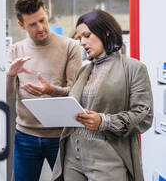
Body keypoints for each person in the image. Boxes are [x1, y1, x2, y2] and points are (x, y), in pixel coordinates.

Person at [48, 10, 154, 181]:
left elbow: (144, 116)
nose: (82, 42)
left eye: (86, 35)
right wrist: (51, 92)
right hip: (72, 156)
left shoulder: (133, 68)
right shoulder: (84, 70)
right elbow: (76, 99)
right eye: (79, 37)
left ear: (105, 32)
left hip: (107, 157)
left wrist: (104, 122)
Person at [7, 0, 82, 181]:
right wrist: (11, 74)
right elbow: (7, 94)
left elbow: (75, 92)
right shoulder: (16, 50)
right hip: (25, 136)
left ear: (46, 13)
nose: (40, 28)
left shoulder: (70, 47)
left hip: (61, 136)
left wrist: (51, 90)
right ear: (21, 25)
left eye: (42, 20)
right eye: (32, 24)